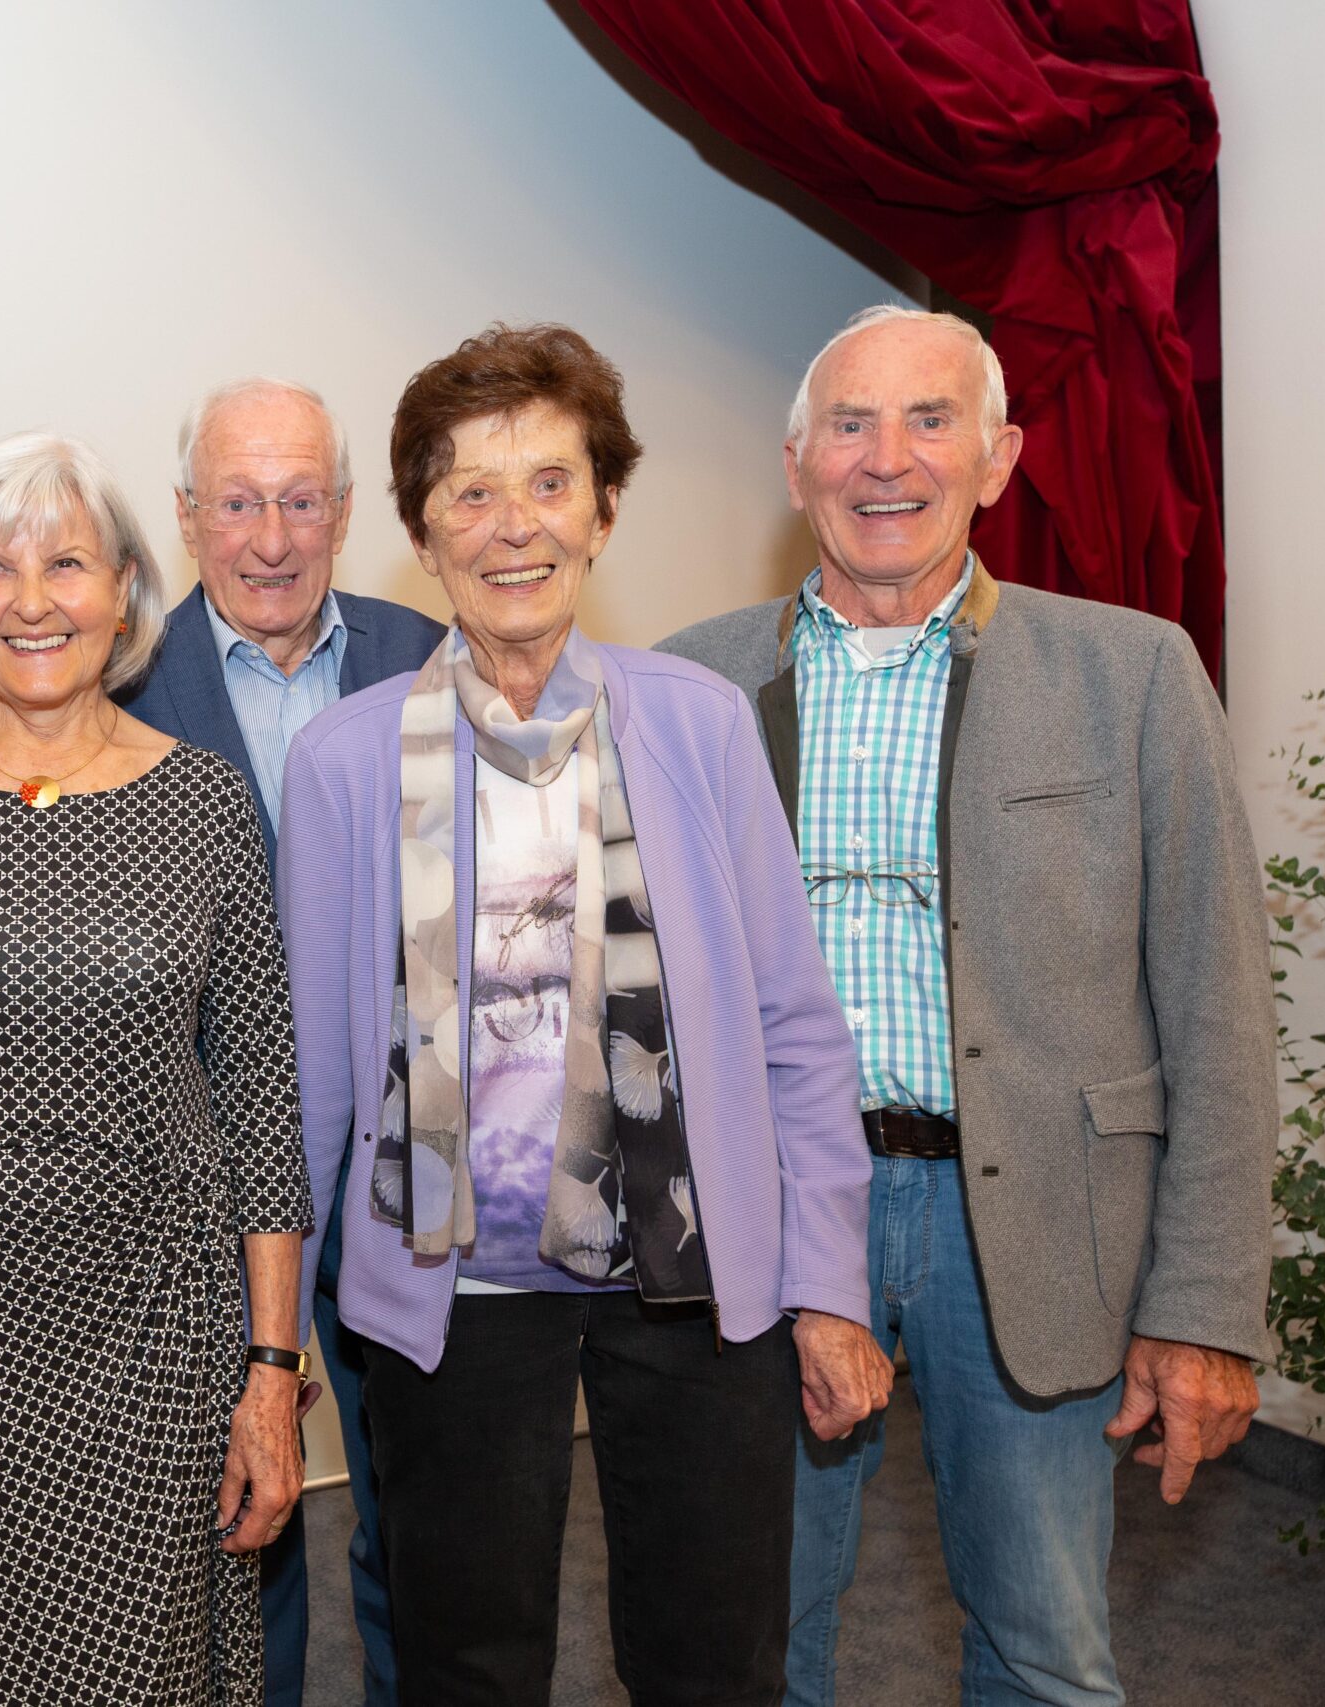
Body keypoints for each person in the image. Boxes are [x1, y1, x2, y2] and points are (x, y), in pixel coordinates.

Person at [656, 304, 1276, 1707]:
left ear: (999, 458)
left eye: (930, 421)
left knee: (1044, 1649)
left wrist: (1206, 1307)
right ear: (796, 461)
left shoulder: (1132, 674)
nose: (889, 462)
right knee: (747, 1638)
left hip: (1039, 1222)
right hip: (775, 1219)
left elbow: (1221, 1017)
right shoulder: (689, 682)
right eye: (850, 426)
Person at [0, 378, 440, 1707]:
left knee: (151, 1674)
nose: (32, 600)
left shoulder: (203, 804)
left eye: (67, 563)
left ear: (127, 590)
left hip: (160, 1341)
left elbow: (263, 1101)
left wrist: (271, 1376)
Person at [280, 324, 890, 1706]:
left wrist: (829, 1285)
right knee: (466, 1663)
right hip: (456, 1290)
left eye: (551, 484)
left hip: (691, 1278)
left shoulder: (699, 724)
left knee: (711, 1657)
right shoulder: (343, 760)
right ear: (423, 533)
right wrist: (267, 1344)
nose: (515, 527)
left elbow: (795, 1026)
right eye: (472, 492)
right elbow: (314, 1080)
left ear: (604, 511)